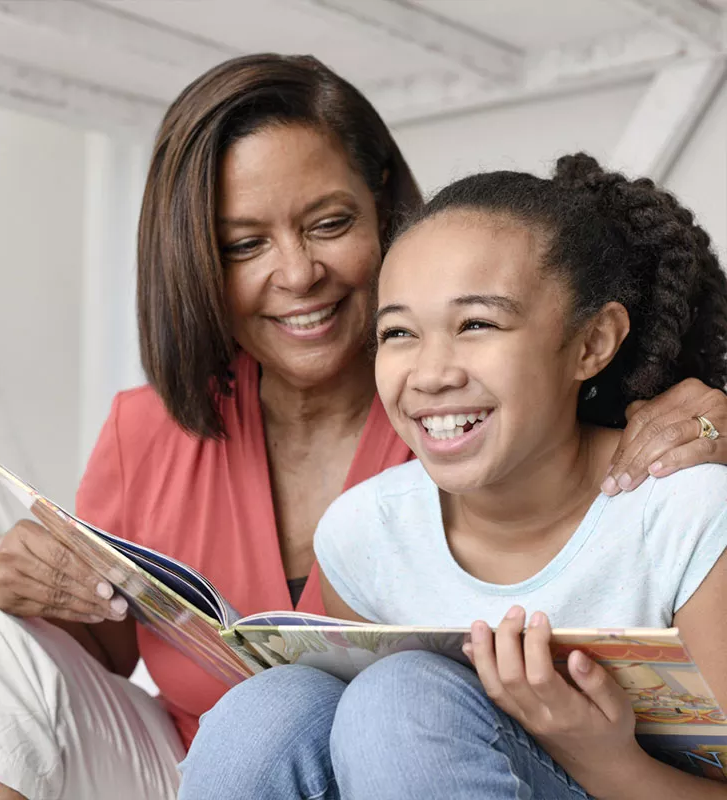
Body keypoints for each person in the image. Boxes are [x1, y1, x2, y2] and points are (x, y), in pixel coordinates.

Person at [0, 51, 723, 799]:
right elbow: (118, 658)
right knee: (1, 635)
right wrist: (30, 585)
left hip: (496, 757)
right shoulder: (337, 508)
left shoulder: (508, 424)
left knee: (397, 697)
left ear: (382, 210)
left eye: (329, 224)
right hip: (207, 760)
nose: (297, 273)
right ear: (198, 262)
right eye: (244, 244)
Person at [178, 154, 727, 800]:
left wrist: (605, 761)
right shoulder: (364, 535)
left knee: (401, 698)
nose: (431, 372)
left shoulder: (688, 516)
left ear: (591, 343)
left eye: (476, 324)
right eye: (399, 333)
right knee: (269, 710)